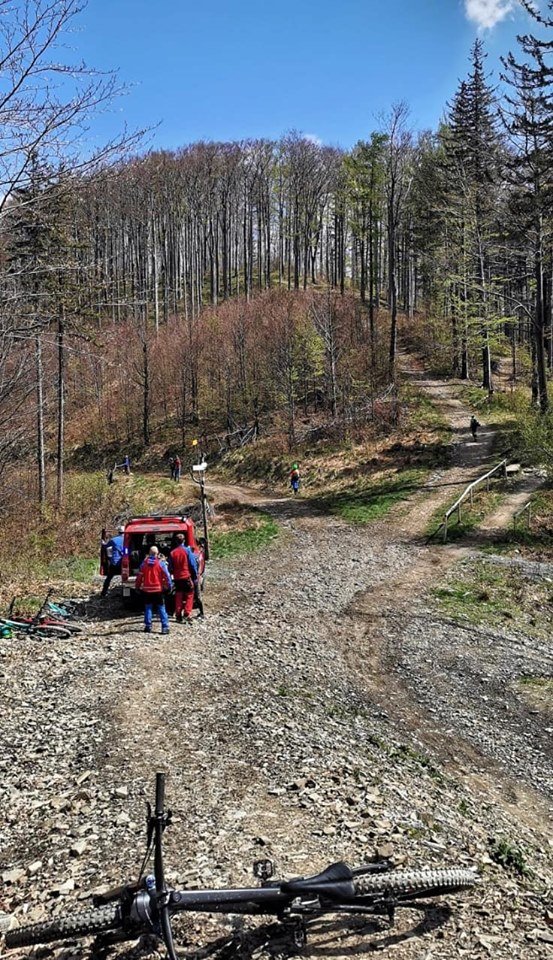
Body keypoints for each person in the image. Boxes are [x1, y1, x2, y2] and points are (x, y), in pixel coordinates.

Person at [135, 545, 172, 634]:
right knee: (161, 608)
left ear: (149, 553)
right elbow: (167, 576)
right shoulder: (160, 563)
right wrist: (169, 586)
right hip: (158, 589)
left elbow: (139, 577)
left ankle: (148, 626)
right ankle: (165, 627)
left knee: (148, 608)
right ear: (157, 553)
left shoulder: (144, 564)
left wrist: (137, 586)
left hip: (147, 590)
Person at [168, 533, 198, 624]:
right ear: (184, 540)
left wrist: (171, 574)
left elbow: (170, 567)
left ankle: (178, 614)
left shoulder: (172, 553)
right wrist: (195, 576)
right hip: (186, 576)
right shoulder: (187, 551)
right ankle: (187, 613)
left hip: (177, 578)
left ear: (176, 541)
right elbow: (192, 564)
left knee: (179, 595)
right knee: (189, 594)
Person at [100, 525, 125, 598]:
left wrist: (103, 542)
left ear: (119, 531)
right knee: (125, 579)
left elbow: (106, 546)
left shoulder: (114, 540)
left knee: (109, 578)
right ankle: (125, 593)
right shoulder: (128, 540)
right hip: (124, 563)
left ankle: (103, 593)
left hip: (114, 562)